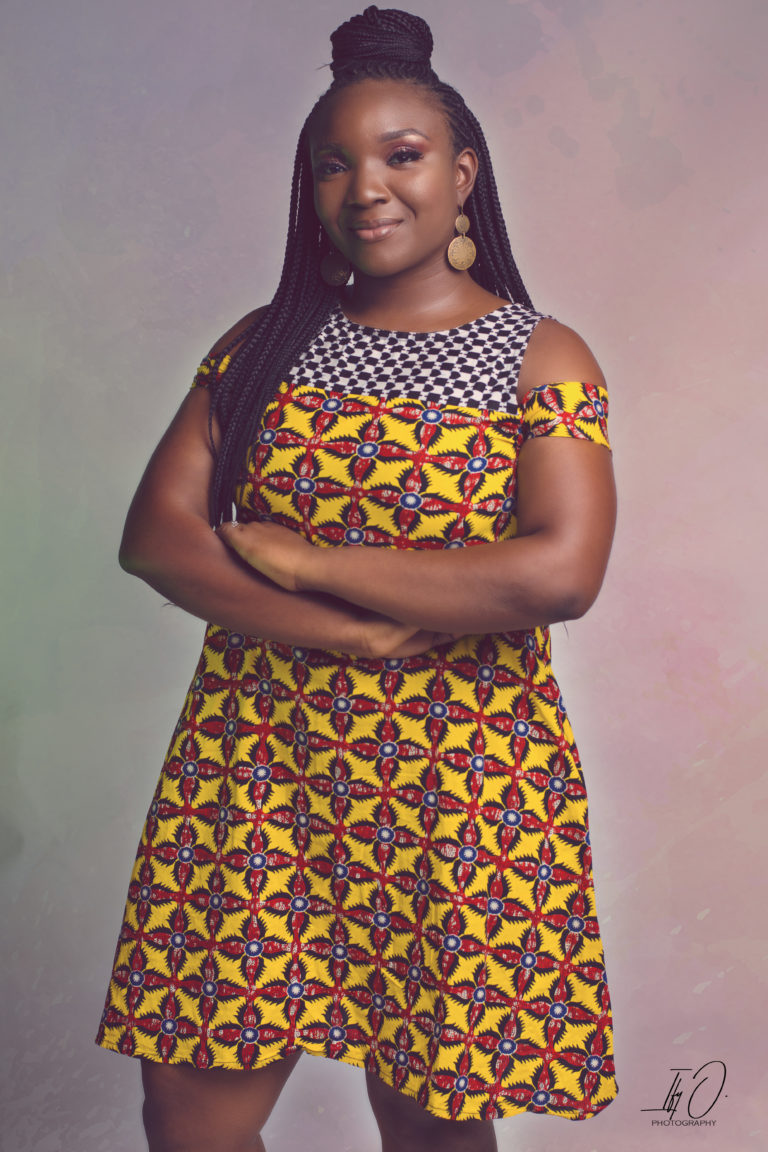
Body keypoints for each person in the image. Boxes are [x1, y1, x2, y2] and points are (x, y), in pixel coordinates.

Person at [96, 7, 619, 1150]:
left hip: (459, 791)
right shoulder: (262, 343)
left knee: (429, 1119)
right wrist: (343, 632)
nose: (365, 187)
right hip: (254, 771)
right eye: (333, 163)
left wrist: (313, 559)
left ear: (462, 174)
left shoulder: (541, 358)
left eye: (401, 154)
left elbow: (560, 568)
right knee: (187, 1108)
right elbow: (157, 538)